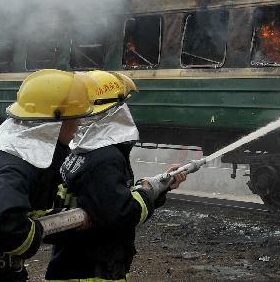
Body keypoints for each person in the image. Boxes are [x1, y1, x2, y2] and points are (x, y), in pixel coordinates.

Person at [0, 69, 97, 281]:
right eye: (75, 117)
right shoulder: (17, 169)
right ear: (55, 122)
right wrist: (34, 234)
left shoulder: (23, 159)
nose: (78, 124)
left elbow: (22, 214)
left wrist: (69, 222)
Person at [44, 70, 187, 282]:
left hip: (72, 263)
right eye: (122, 105)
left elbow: (108, 199)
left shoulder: (82, 152)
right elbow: (120, 215)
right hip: (93, 271)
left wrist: (160, 185)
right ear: (112, 112)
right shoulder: (105, 158)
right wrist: (148, 190)